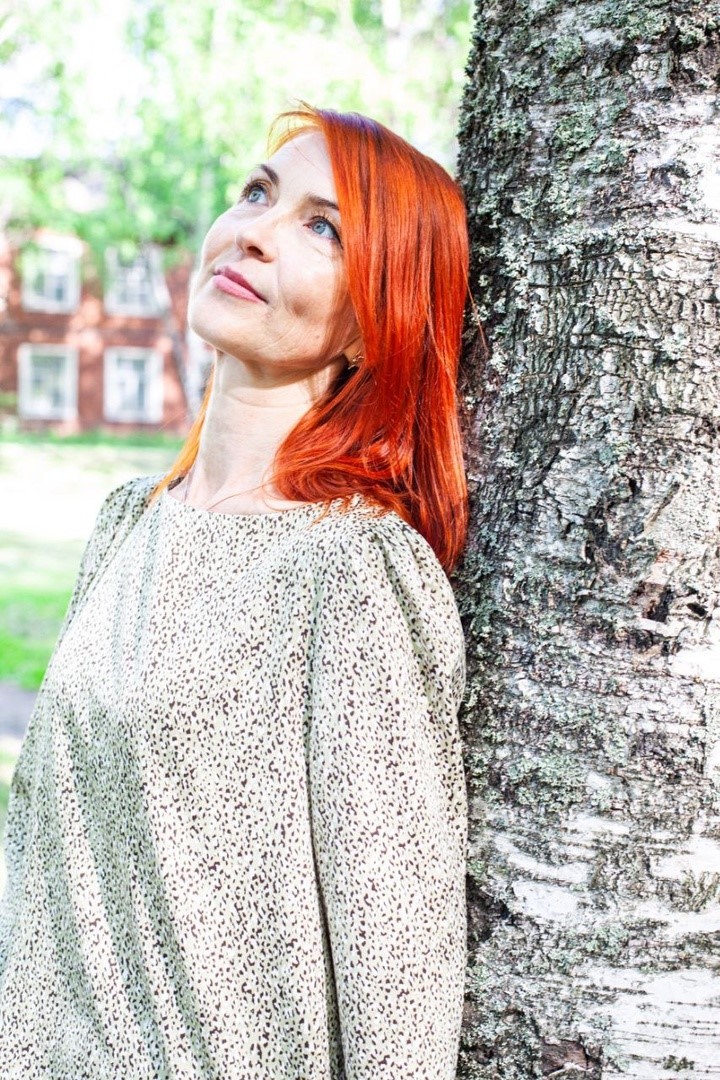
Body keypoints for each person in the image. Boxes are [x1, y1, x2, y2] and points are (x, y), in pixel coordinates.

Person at [0, 104, 470, 1079]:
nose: (255, 230)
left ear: (373, 321)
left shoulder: (352, 570)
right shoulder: (129, 521)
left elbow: (398, 969)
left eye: (322, 227)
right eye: (258, 192)